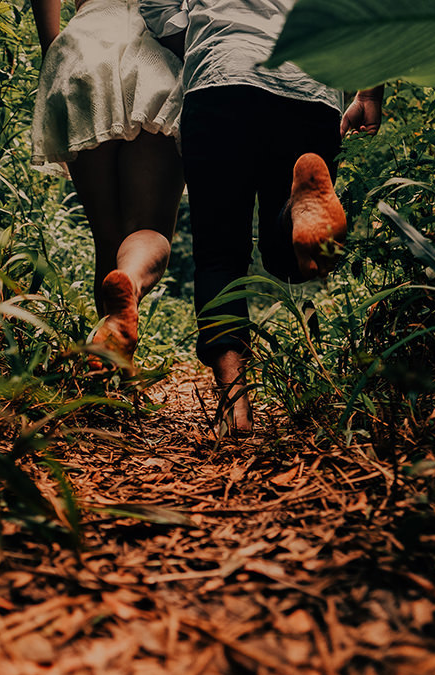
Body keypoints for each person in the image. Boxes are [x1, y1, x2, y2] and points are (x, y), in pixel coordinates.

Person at [138, 0, 383, 435]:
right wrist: (367, 91)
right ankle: (300, 213)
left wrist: (196, 37)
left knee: (219, 254)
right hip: (311, 87)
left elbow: (157, 7)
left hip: (221, 74)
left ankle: (236, 407)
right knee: (287, 256)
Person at [30, 0, 186, 370]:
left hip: (86, 48)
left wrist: (54, 51)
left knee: (107, 236)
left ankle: (107, 368)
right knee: (148, 229)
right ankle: (130, 282)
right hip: (158, 55)